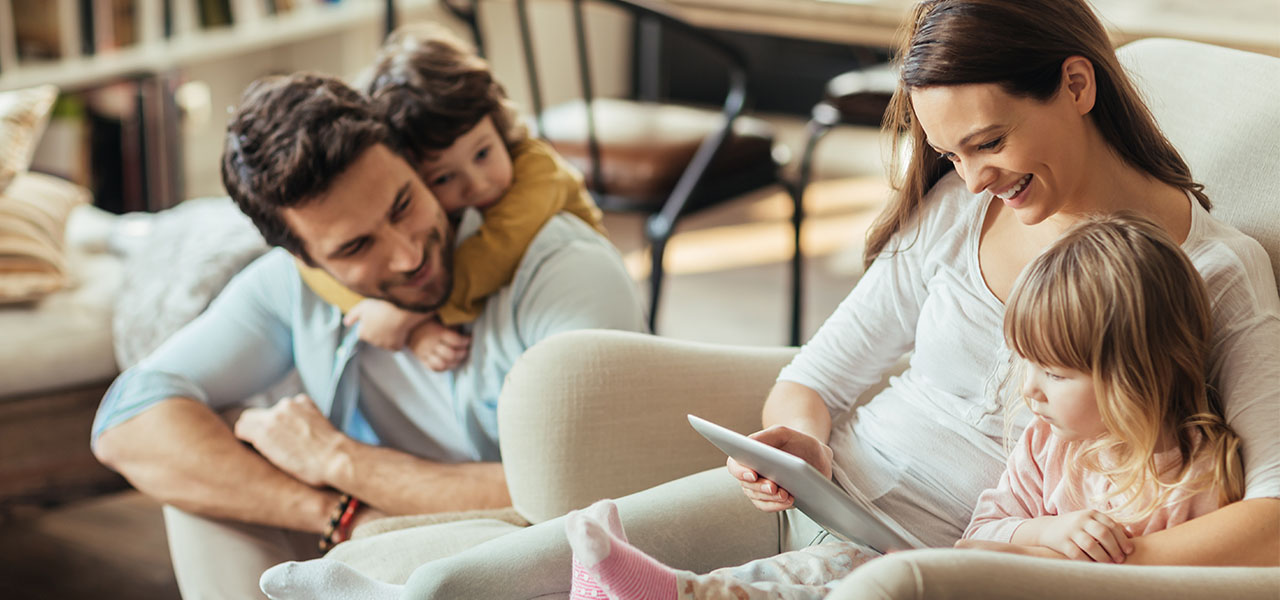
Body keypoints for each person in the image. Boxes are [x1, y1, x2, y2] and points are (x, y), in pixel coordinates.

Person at [259, 0, 1279, 597]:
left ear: (1074, 84)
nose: (970, 179)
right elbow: (816, 376)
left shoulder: (1212, 270)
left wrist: (1088, 561)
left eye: (987, 145)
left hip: (933, 562)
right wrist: (795, 441)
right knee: (465, 587)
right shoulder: (958, 216)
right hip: (832, 497)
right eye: (946, 154)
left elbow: (1270, 511)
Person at [90, 72, 645, 599]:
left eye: (403, 204)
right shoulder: (291, 286)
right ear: (304, 258)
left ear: (412, 161)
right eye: (356, 247)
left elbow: (597, 492)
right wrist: (335, 512)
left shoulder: (562, 270)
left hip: (547, 555)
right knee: (204, 484)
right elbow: (125, 421)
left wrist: (341, 461)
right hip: (376, 530)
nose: (408, 254)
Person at [558, 214, 1245, 599]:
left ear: (1136, 374)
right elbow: (981, 536)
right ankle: (681, 594)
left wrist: (1087, 562)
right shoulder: (1048, 445)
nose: (1030, 391)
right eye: (1028, 367)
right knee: (838, 572)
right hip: (950, 566)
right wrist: (1042, 536)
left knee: (862, 578)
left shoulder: (1204, 479)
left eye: (1056, 373)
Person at [296, 25, 609, 372]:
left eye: (483, 153)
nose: (476, 185)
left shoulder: (536, 169)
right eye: (443, 177)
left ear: (498, 123)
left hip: (586, 300)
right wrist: (384, 315)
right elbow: (314, 268)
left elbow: (496, 251)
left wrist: (406, 316)